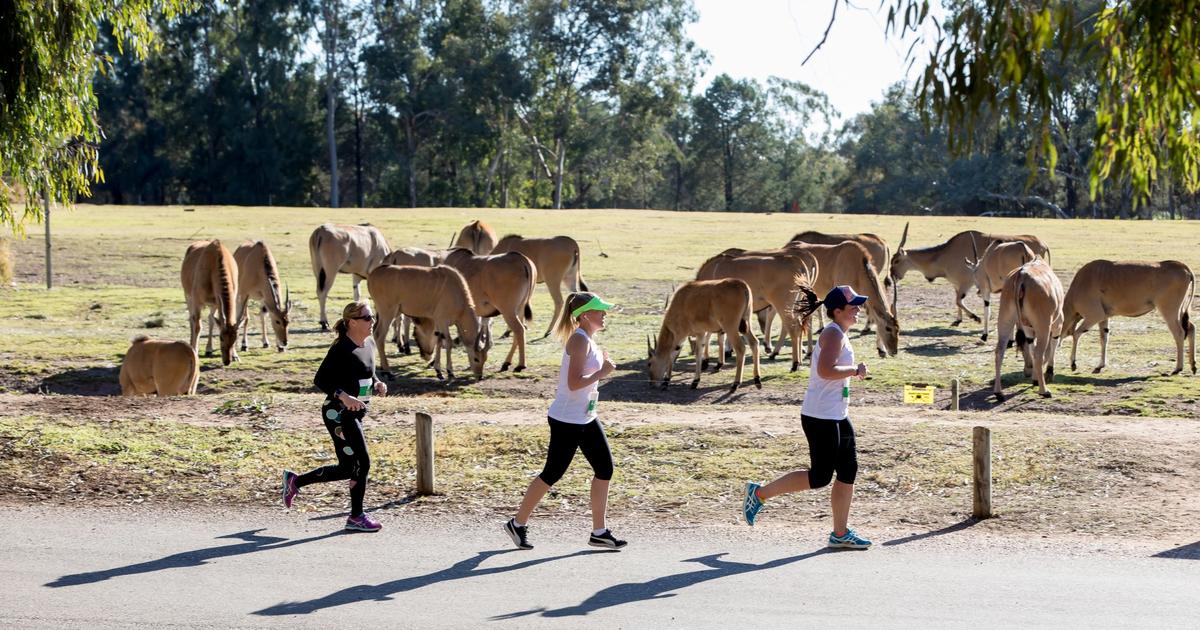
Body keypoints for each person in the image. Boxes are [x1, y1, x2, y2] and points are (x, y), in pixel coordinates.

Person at [741, 285, 873, 549]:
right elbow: (826, 370)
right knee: (820, 477)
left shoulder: (840, 334)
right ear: (837, 311)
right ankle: (759, 493)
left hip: (836, 414)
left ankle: (840, 533)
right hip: (820, 417)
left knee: (848, 469)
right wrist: (855, 371)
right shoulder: (833, 334)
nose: (858, 309)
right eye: (853, 306)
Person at [503, 292, 627, 551]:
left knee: (605, 469)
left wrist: (600, 367)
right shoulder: (579, 341)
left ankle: (599, 532)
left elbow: (582, 379)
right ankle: (517, 523)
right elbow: (573, 384)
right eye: (600, 310)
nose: (604, 314)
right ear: (584, 315)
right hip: (567, 420)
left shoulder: (589, 341)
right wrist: (602, 373)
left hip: (585, 416)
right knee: (552, 473)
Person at [282, 300, 387, 532]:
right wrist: (344, 396)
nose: (373, 322)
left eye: (372, 317)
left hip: (356, 413)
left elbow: (367, 370)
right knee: (363, 462)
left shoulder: (368, 343)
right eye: (367, 318)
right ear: (351, 322)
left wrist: (377, 382)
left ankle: (295, 481)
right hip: (338, 414)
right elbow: (321, 379)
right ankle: (356, 517)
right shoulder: (341, 348)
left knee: (348, 468)